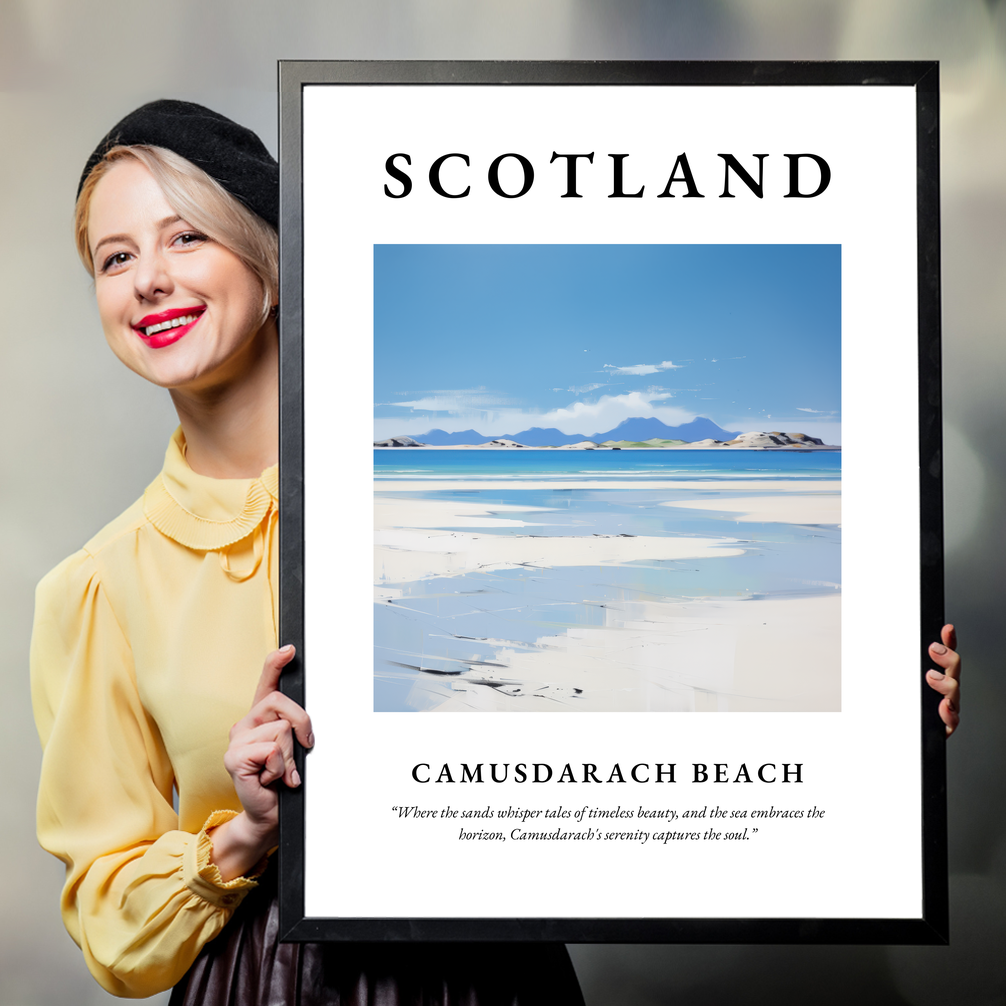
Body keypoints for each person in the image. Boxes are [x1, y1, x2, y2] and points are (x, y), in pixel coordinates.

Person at [30, 100, 586, 1004]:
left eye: (186, 237)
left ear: (273, 262)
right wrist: (245, 833)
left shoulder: (448, 501)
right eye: (115, 258)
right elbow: (110, 924)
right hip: (263, 981)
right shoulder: (97, 586)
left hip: (491, 971)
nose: (149, 281)